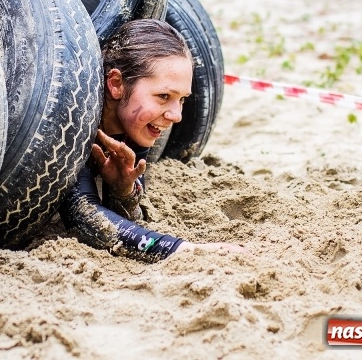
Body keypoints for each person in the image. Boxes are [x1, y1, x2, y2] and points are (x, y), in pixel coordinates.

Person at [59, 19, 245, 262]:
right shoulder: (69, 111)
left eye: (181, 99)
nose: (176, 115)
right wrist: (183, 251)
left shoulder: (135, 123)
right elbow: (83, 215)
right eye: (164, 96)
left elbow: (129, 220)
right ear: (116, 84)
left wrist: (123, 191)